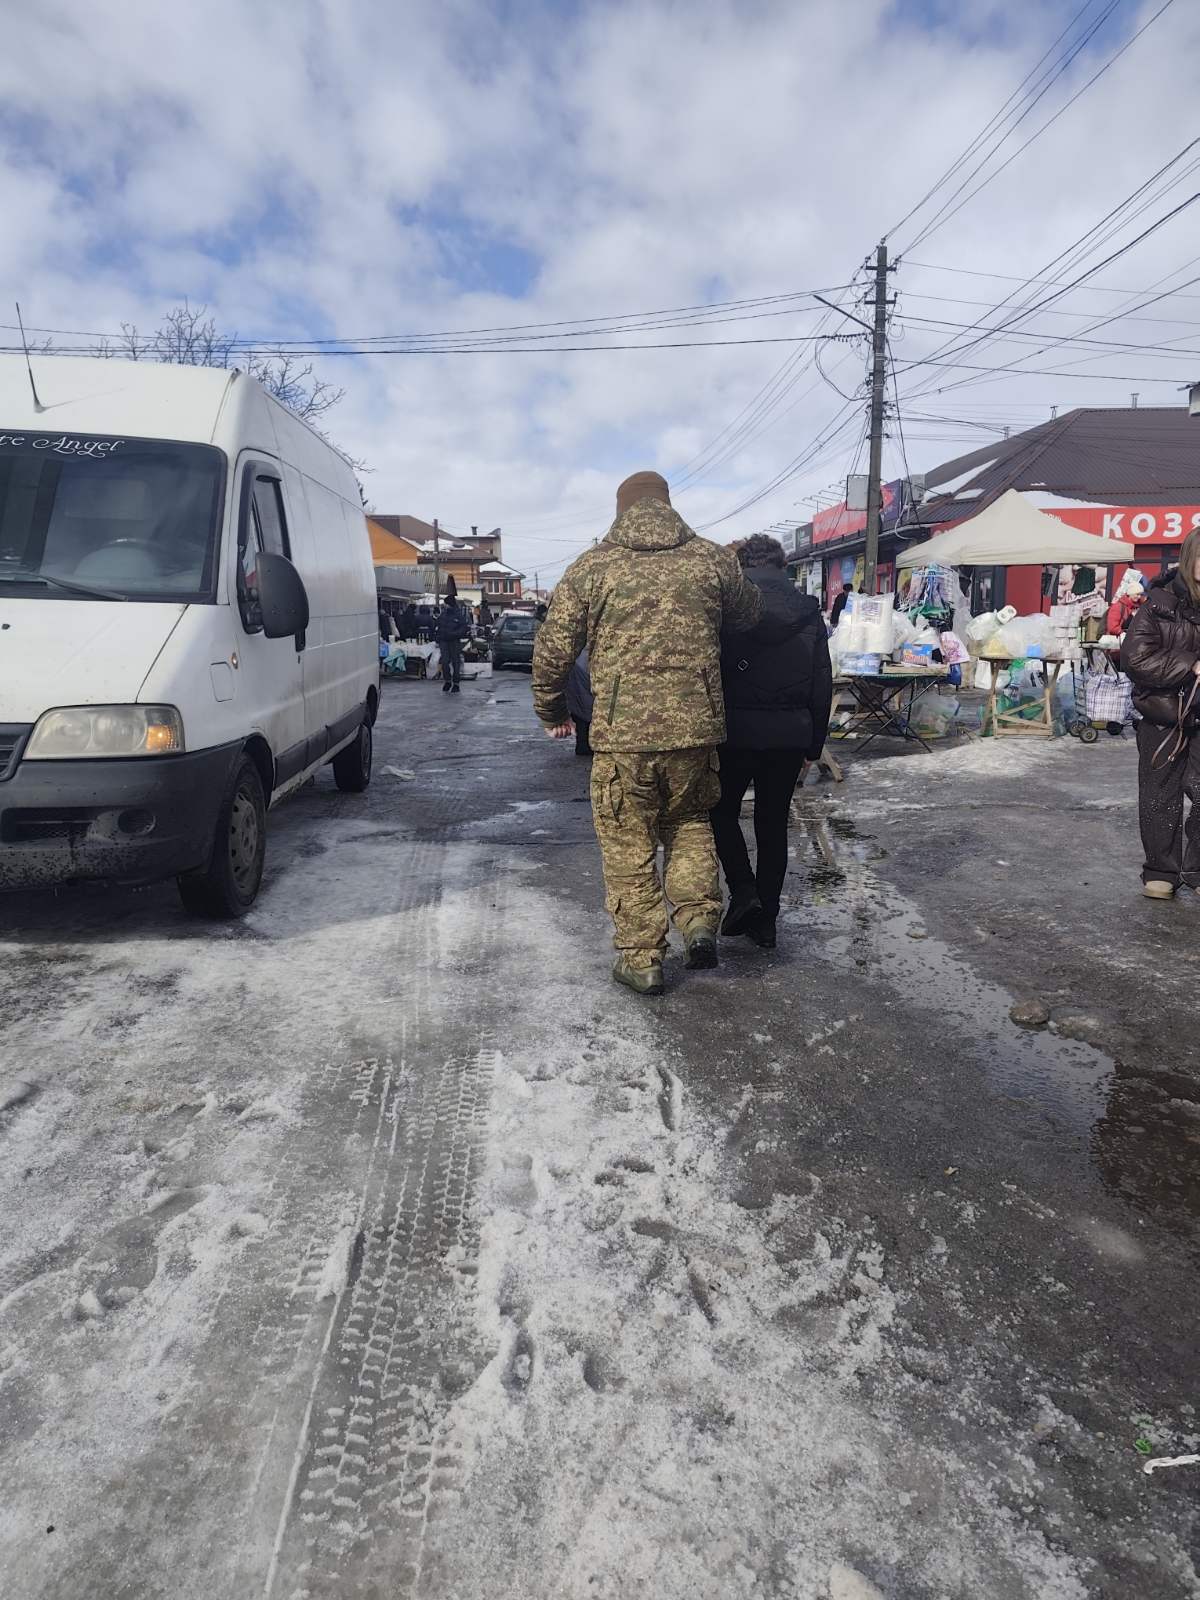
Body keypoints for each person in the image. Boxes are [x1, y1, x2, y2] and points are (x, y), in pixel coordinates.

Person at [532, 470, 761, 996]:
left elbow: (551, 650)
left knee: (628, 842)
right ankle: (698, 920)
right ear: (666, 504)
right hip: (695, 731)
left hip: (622, 739)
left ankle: (642, 959)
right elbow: (750, 614)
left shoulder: (593, 567)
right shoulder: (710, 558)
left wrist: (551, 712)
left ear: (621, 510)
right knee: (689, 823)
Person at [710, 534, 833, 949]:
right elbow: (822, 682)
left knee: (722, 813)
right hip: (789, 734)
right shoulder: (808, 610)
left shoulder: (728, 606)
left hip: (734, 732)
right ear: (782, 565)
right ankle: (767, 921)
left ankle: (744, 893)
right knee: (772, 824)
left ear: (741, 565)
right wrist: (814, 746)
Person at [1120, 532, 1200, 900]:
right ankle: (1161, 871)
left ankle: (1196, 870)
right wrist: (1191, 665)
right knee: (1159, 796)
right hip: (1162, 717)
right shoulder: (1159, 604)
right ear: (1189, 559)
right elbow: (1134, 659)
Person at [435, 584, 471, 693]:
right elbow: (438, 626)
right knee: (445, 662)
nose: (444, 606)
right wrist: (438, 637)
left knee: (456, 662)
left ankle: (456, 683)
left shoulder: (458, 614)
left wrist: (454, 634)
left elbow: (464, 628)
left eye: (445, 604)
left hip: (454, 641)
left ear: (449, 604)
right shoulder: (443, 614)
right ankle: (447, 681)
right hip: (444, 641)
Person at [565, 649, 594, 758]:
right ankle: (585, 747)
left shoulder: (578, 654)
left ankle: (583, 747)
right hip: (586, 699)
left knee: (582, 725)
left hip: (577, 698)